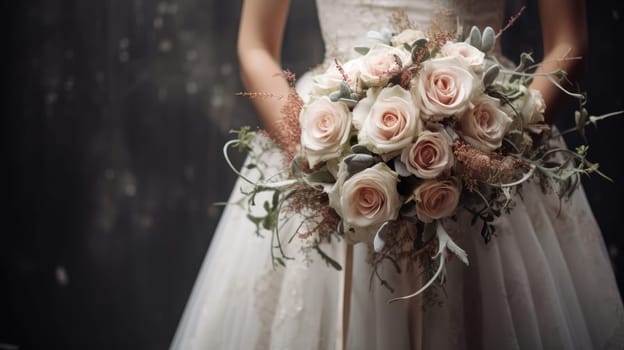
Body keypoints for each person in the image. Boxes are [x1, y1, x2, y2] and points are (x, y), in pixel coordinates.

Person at [171, 0, 624, 349]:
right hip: (331, 126)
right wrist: (316, 151)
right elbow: (254, 44)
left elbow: (569, 41)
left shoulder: (491, 141)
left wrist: (491, 148)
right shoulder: (321, 147)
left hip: (486, 127)